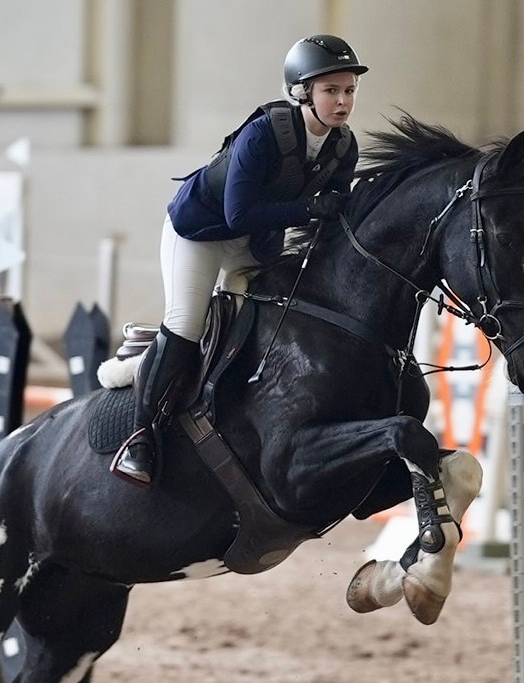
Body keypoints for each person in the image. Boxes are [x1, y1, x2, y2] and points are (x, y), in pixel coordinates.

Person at [110, 34, 368, 487]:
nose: (343, 102)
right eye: (331, 90)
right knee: (186, 323)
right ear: (303, 91)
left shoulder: (344, 147)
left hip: (254, 243)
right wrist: (310, 208)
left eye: (349, 90)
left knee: (271, 320)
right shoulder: (265, 133)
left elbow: (330, 217)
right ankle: (141, 437)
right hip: (200, 233)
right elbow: (238, 214)